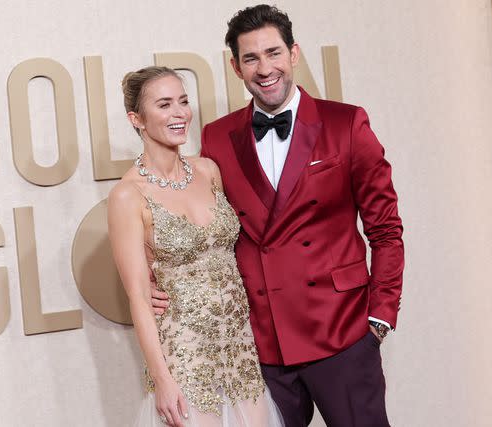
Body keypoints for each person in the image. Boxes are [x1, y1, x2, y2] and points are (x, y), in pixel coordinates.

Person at [151, 5, 404, 427]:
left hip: (341, 332)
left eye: (273, 53)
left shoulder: (346, 123)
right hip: (262, 342)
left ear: (293, 54)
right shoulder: (218, 136)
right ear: (235, 67)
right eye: (251, 58)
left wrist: (379, 316)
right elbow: (203, 223)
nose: (264, 68)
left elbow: (385, 229)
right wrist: (155, 279)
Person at [107, 66, 283, 427]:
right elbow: (139, 297)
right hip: (185, 356)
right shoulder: (128, 195)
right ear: (136, 119)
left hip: (239, 350)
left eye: (184, 102)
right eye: (165, 104)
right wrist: (162, 379)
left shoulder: (208, 170)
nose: (180, 113)